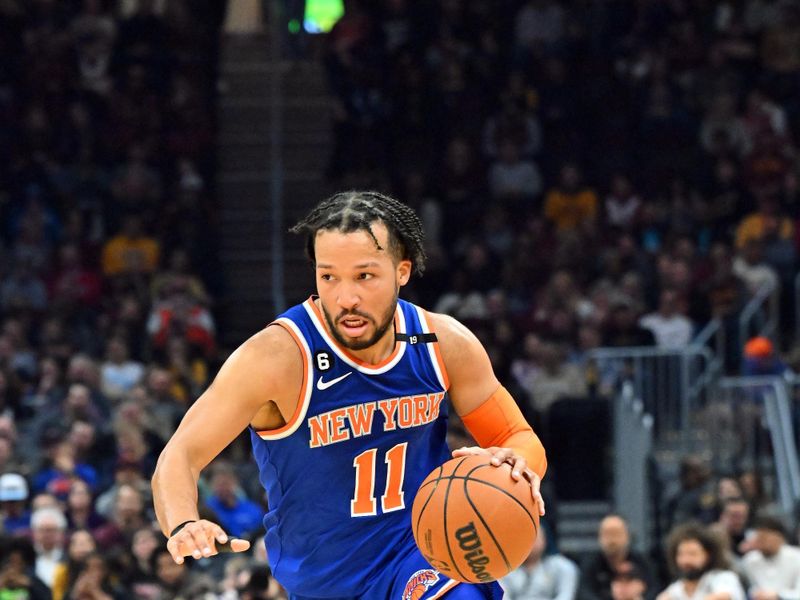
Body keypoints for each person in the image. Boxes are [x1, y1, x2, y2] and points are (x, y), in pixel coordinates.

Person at [152, 191, 548, 599]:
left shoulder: (442, 343)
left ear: (402, 272)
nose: (346, 298)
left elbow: (519, 438)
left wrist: (519, 464)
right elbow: (179, 455)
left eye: (365, 276)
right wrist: (184, 522)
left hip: (424, 555)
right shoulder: (277, 357)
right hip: (322, 581)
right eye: (329, 277)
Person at [656, 523, 745, 600]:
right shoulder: (675, 589)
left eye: (692, 554)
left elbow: (723, 597)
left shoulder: (724, 578)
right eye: (681, 554)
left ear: (708, 555)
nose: (686, 560)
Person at [580, 514, 657, 600]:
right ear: (599, 536)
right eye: (607, 534)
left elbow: (654, 589)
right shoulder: (591, 565)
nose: (612, 540)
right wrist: (610, 594)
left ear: (627, 535)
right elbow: (584, 593)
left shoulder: (642, 562)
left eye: (616, 533)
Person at [501, 526, 579, 600]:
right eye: (524, 538)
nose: (529, 543)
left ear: (545, 540)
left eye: (534, 538)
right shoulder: (504, 570)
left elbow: (566, 596)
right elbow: (501, 597)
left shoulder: (561, 566)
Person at [740, 516, 800, 600]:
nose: (761, 542)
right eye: (759, 538)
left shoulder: (796, 557)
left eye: (764, 538)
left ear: (779, 537)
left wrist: (778, 596)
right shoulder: (749, 560)